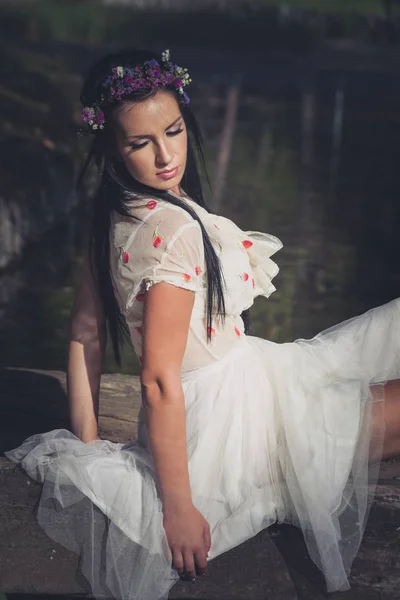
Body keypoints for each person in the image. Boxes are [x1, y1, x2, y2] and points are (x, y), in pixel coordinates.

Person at [4, 47, 400, 600]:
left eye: (173, 130)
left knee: (384, 334)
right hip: (230, 428)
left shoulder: (116, 212)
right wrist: (179, 507)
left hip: (250, 381)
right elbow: (157, 379)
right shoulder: (173, 228)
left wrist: (89, 442)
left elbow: (84, 335)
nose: (166, 155)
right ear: (113, 148)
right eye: (141, 144)